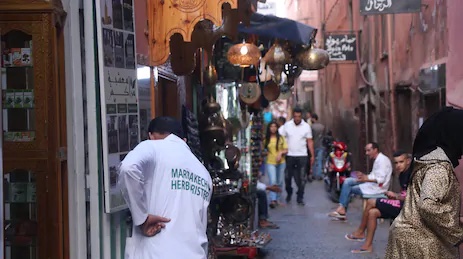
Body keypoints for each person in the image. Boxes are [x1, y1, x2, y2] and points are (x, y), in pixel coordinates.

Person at [118, 116, 212, 259]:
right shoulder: (204, 173)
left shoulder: (153, 146)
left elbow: (128, 168)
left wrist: (141, 218)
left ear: (151, 136)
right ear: (184, 140)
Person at [385, 107, 463, 259]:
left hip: (409, 237)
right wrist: (457, 231)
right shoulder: (438, 168)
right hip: (423, 245)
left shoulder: (427, 161)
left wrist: (455, 219)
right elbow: (427, 205)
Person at [346, 151, 412, 254]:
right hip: (400, 204)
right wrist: (395, 196)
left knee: (371, 202)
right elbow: (404, 193)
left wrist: (396, 196)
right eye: (396, 163)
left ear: (408, 161)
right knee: (373, 213)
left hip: (408, 208)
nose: (398, 165)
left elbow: (413, 197)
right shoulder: (402, 174)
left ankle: (360, 232)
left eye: (401, 162)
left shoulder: (412, 175)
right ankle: (367, 246)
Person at [329, 142, 392, 219]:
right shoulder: (378, 159)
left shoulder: (382, 161)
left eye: (369, 150)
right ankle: (342, 209)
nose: (367, 153)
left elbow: (380, 179)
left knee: (348, 186)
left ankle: (342, 209)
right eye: (366, 151)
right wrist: (363, 176)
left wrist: (366, 179)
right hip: (371, 185)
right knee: (348, 181)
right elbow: (373, 175)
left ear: (375, 150)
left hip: (378, 188)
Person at [279, 107, 314, 206]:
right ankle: (289, 192)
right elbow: (280, 136)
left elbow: (310, 141)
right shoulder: (287, 126)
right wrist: (281, 150)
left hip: (302, 155)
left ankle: (300, 197)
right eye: (295, 116)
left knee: (302, 178)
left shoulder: (306, 126)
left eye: (299, 116)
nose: (297, 118)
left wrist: (312, 155)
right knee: (287, 177)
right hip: (289, 155)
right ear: (293, 116)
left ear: (301, 116)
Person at [264, 121, 288, 208]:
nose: (273, 128)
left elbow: (286, 149)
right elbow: (262, 149)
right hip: (270, 162)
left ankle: (278, 199)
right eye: (271, 126)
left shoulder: (281, 138)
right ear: (269, 128)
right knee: (273, 181)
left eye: (275, 126)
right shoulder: (266, 139)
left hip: (281, 162)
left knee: (280, 181)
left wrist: (280, 152)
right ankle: (273, 200)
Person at [310, 113, 326, 180]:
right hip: (321, 145)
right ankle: (319, 175)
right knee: (319, 161)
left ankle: (313, 174)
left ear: (313, 118)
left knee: (313, 160)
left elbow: (310, 137)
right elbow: (324, 136)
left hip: (313, 146)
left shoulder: (311, 127)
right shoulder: (322, 127)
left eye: (311, 118)